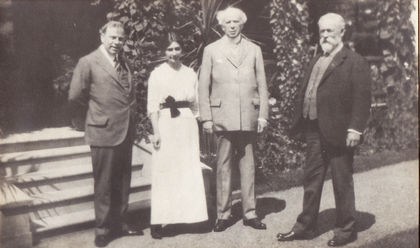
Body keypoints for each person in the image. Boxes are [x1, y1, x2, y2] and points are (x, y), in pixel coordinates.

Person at [276, 13, 372, 247]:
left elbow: (362, 99)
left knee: (342, 181)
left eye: (330, 31)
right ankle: (305, 227)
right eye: (322, 31)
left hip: (340, 132)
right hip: (314, 130)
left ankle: (346, 230)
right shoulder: (317, 59)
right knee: (311, 180)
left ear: (342, 33)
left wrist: (355, 130)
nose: (326, 35)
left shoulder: (354, 61)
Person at [68, 21, 140, 247]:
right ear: (102, 37)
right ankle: (102, 229)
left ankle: (120, 223)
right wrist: (93, 115)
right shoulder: (88, 62)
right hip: (103, 130)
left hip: (124, 130)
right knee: (104, 183)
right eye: (113, 37)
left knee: (122, 180)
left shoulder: (124, 62)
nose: (117, 42)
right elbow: (75, 95)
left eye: (121, 38)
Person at [198, 7, 269, 232]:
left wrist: (263, 115)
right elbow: (203, 87)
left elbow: (263, 85)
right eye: (227, 22)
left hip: (248, 115)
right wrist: (207, 118)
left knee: (248, 165)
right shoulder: (211, 50)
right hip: (222, 117)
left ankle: (250, 213)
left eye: (235, 22)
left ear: (242, 24)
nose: (231, 26)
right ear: (221, 25)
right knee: (223, 165)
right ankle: (223, 214)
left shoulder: (254, 50)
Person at [147, 33, 208, 239]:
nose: (174, 53)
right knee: (166, 170)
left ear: (182, 51)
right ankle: (159, 221)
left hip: (187, 123)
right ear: (164, 52)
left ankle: (192, 217)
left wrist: (202, 123)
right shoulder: (157, 74)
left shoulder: (190, 73)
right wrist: (155, 131)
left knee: (188, 168)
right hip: (165, 123)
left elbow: (197, 103)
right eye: (169, 49)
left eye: (177, 49)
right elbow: (152, 105)